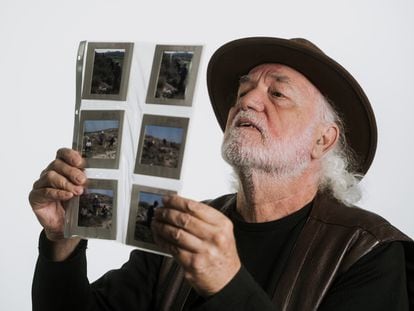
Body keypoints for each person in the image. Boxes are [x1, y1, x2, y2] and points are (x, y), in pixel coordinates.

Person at [30, 37, 414, 310]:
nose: (246, 100)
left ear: (323, 140)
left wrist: (228, 285)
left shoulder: (370, 253)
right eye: (243, 89)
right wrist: (61, 241)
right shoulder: (178, 230)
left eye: (277, 94)